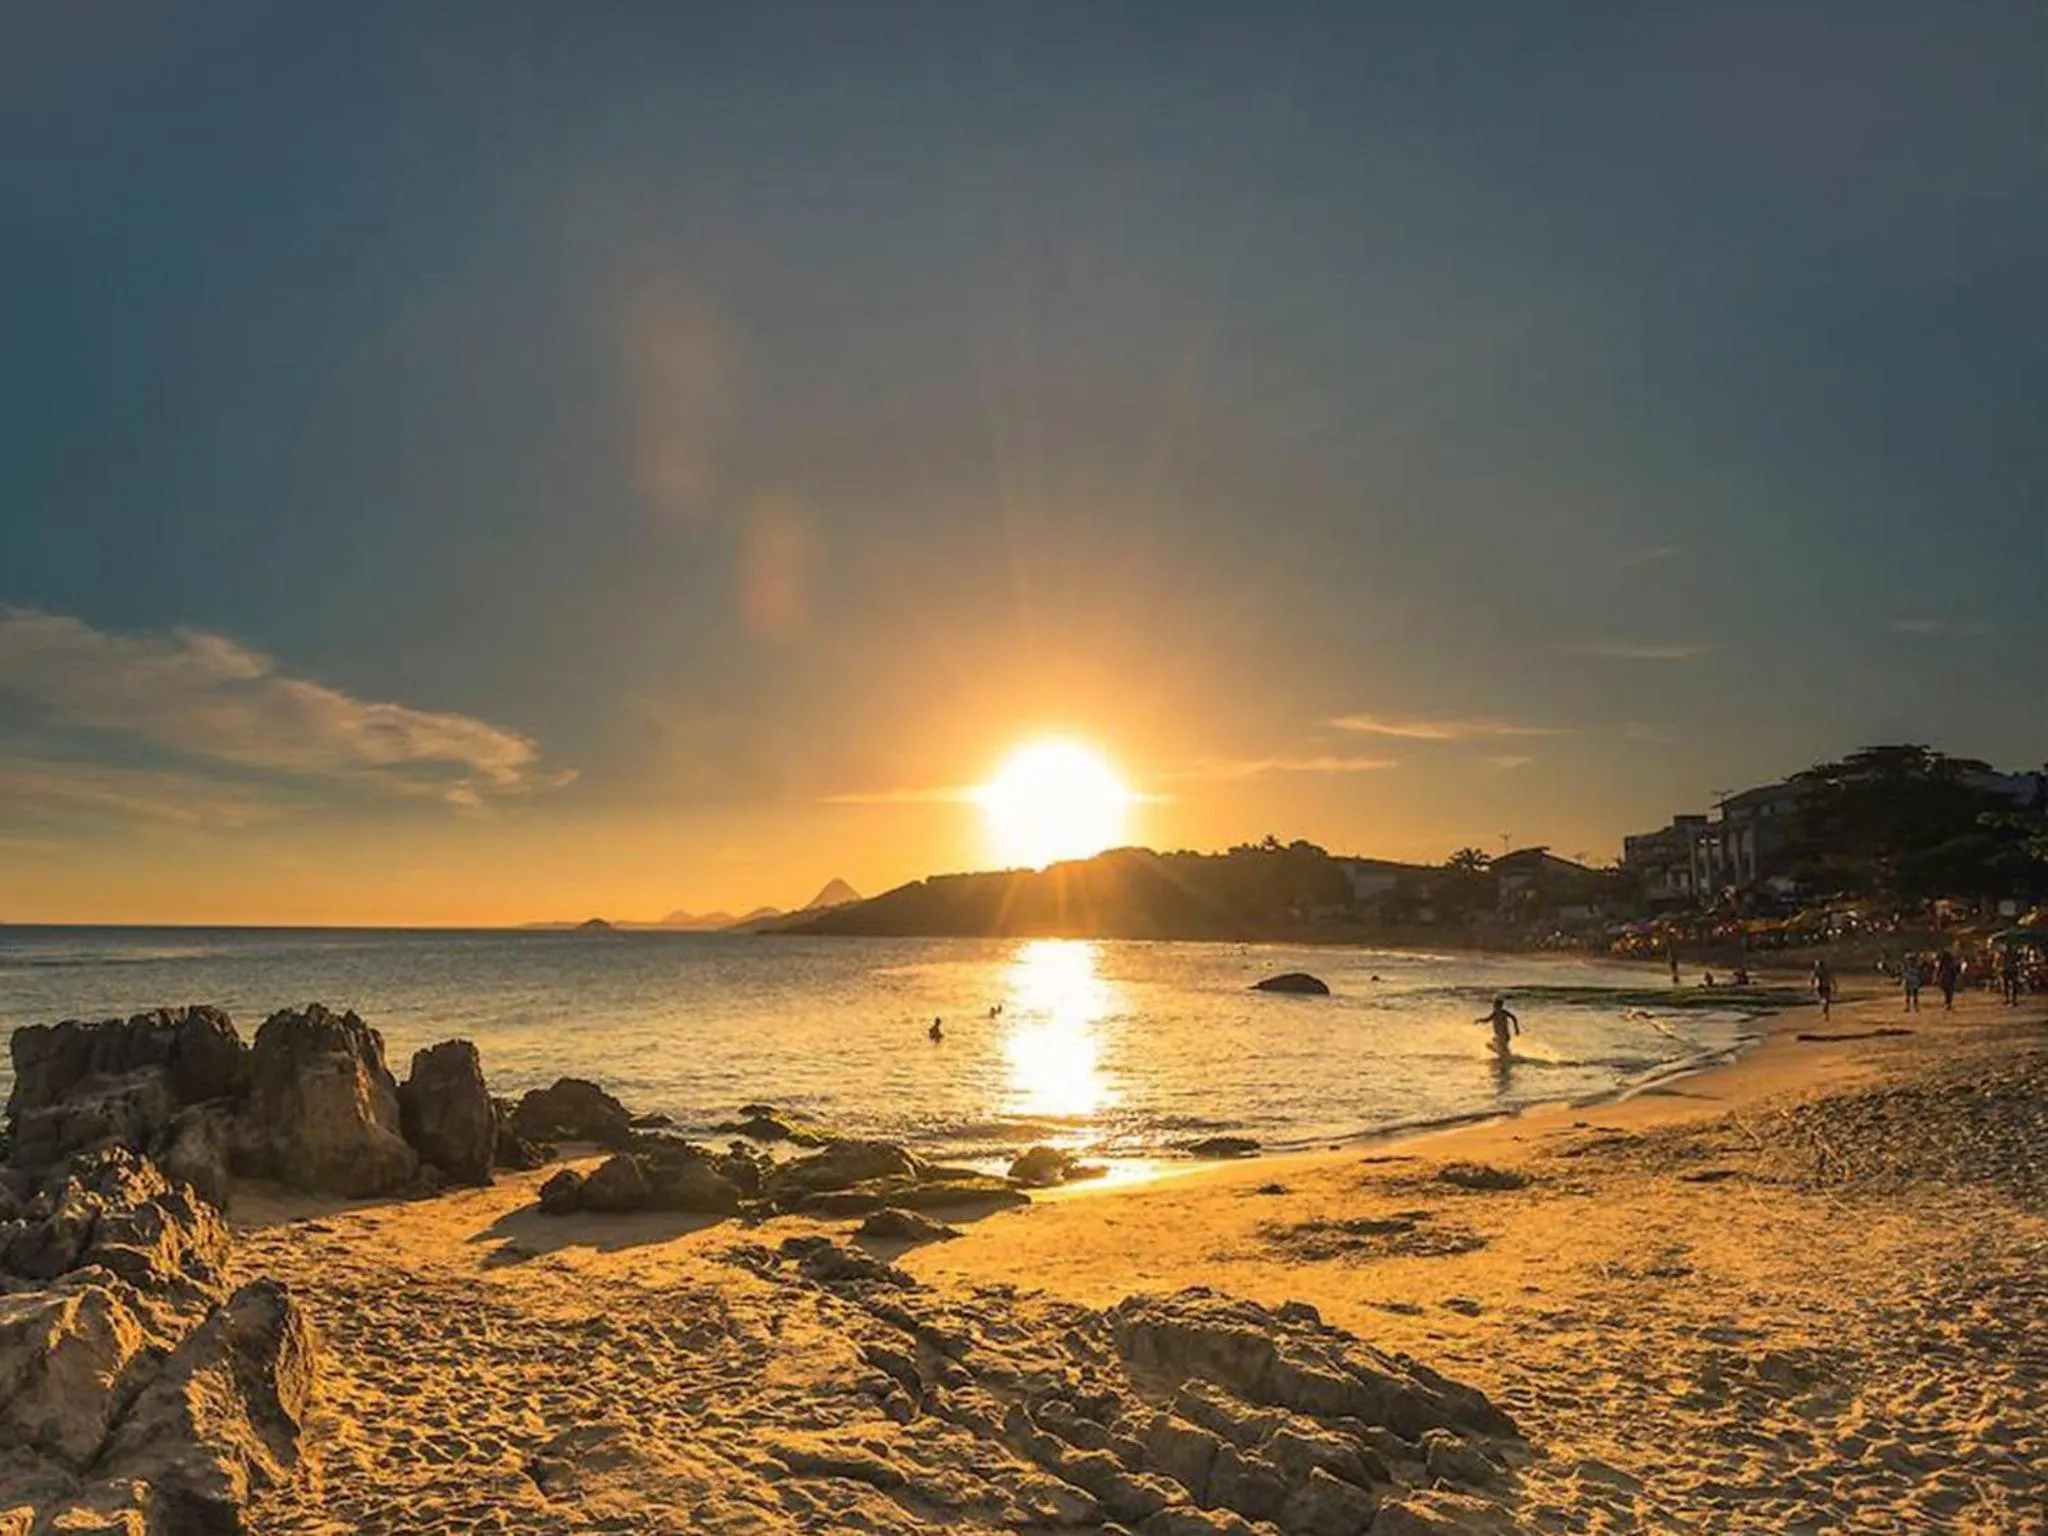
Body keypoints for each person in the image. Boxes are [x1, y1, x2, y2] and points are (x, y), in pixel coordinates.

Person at [1475, 995, 1520, 1059]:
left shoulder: (1504, 1012)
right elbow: (1487, 1020)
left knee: (1502, 1047)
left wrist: (1516, 1028)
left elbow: (1513, 1018)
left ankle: (1507, 1057)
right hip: (1498, 1035)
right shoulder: (1494, 1014)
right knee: (1493, 1044)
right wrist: (1479, 1020)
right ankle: (1506, 1056)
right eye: (1495, 1006)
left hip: (1504, 1035)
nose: (1495, 1007)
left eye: (1497, 1005)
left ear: (1501, 1006)